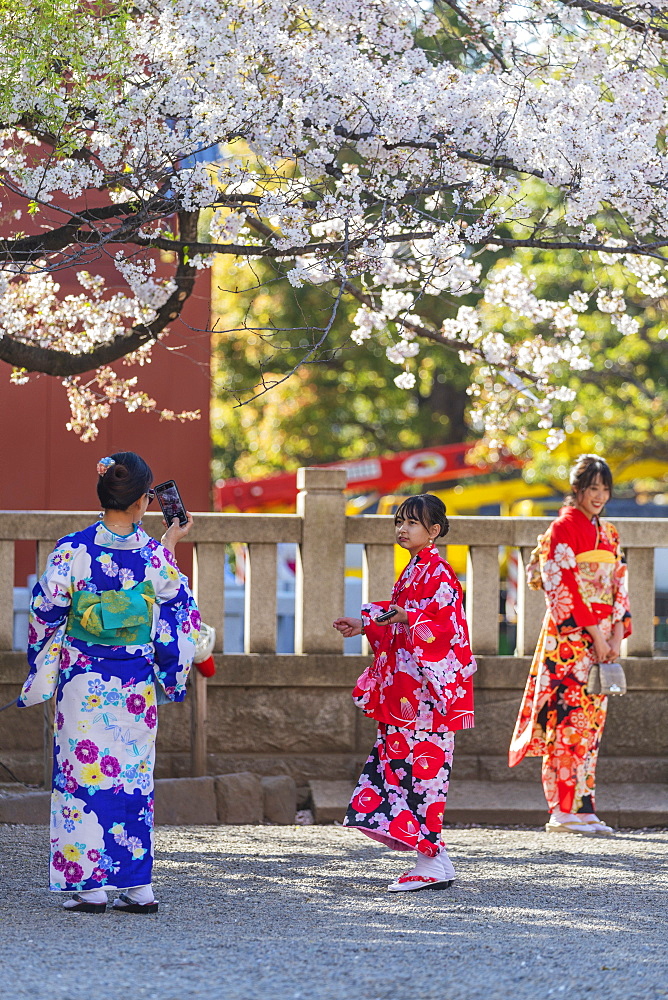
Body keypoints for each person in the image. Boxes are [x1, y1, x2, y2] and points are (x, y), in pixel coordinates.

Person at [18, 452, 200, 913]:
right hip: (133, 687)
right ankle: (138, 887)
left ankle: (89, 886)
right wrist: (170, 672)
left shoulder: (72, 550)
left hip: (83, 683)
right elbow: (180, 614)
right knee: (131, 780)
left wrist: (43, 661)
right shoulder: (154, 554)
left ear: (105, 498)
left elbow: (43, 615)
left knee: (81, 779)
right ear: (144, 502)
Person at [333, 494, 476, 892]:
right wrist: (365, 622)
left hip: (425, 699)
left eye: (412, 523)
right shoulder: (415, 570)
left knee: (419, 773)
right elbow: (399, 616)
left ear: (434, 531)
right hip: (407, 694)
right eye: (399, 521)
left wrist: (406, 616)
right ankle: (435, 858)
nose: (402, 528)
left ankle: (427, 861)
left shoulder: (440, 573)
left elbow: (446, 625)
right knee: (401, 768)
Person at [509, 454, 632, 836]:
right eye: (592, 488)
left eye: (605, 488)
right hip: (569, 642)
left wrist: (613, 635)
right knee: (566, 721)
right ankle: (562, 810)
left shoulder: (609, 534)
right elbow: (562, 587)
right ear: (577, 490)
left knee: (591, 723)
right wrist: (596, 635)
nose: (599, 495)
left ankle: (584, 806)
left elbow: (618, 587)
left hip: (601, 639)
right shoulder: (562, 528)